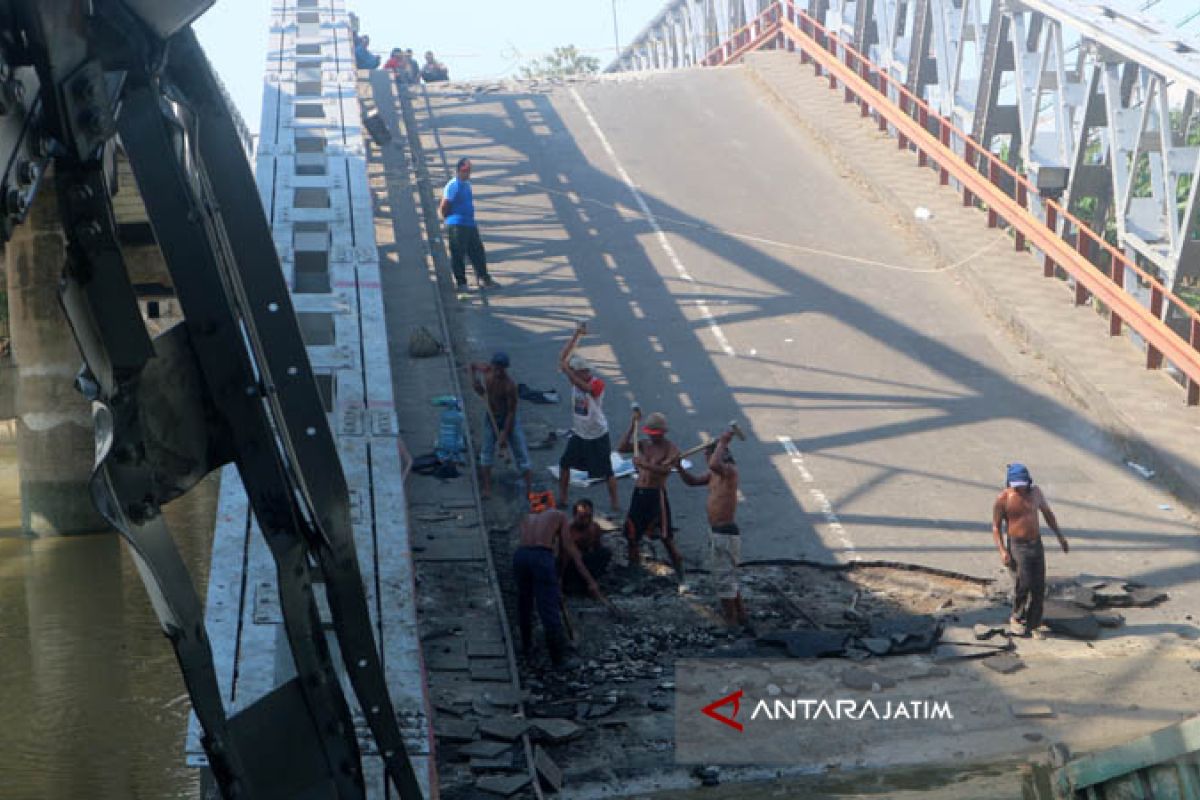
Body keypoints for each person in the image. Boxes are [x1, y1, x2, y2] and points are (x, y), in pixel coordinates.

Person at [514, 507, 606, 667]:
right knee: (548, 607)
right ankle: (559, 658)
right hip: (541, 557)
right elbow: (568, 548)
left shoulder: (527, 516)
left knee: (524, 603)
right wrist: (586, 580)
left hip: (521, 556)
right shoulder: (559, 515)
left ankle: (526, 646)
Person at [991, 463, 1069, 639]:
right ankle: (1017, 617)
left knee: (1039, 586)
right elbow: (996, 527)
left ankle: (1034, 623)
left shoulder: (1036, 493)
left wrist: (1060, 537)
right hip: (1018, 545)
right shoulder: (1003, 499)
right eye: (1015, 485)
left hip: (1036, 543)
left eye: (1022, 484)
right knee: (1024, 582)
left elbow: (1048, 515)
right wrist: (1003, 550)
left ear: (1028, 481)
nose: (1019, 488)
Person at [679, 430, 744, 626]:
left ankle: (731, 621)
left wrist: (723, 442)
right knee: (728, 578)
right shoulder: (714, 474)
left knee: (725, 580)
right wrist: (679, 467)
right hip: (717, 532)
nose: (706, 460)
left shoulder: (729, 471)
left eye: (708, 455)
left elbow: (714, 463)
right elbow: (692, 482)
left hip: (725, 532)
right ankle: (740, 616)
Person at [556, 322, 619, 512]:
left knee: (607, 471)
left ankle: (615, 501)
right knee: (565, 463)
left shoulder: (597, 383)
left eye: (576, 371)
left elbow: (586, 389)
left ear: (584, 372)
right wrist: (577, 335)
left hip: (597, 434)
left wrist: (568, 372)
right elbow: (562, 357)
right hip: (581, 433)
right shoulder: (575, 379)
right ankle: (564, 497)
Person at [616, 410, 684, 578]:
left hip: (656, 494)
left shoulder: (671, 449)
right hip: (639, 493)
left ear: (663, 432)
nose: (653, 437)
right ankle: (634, 571)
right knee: (632, 534)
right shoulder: (645, 444)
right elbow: (622, 447)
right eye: (651, 434)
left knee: (665, 537)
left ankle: (681, 576)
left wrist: (645, 465)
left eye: (656, 434)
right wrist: (632, 425)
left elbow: (665, 470)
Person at [469, 351, 532, 499]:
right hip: (491, 418)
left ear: (505, 369)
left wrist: (504, 433)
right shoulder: (487, 372)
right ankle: (487, 488)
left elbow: (511, 412)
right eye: (496, 367)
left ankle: (529, 490)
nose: (497, 371)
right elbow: (472, 368)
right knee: (486, 454)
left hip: (508, 419)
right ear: (492, 365)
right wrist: (475, 382)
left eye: (501, 369)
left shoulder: (510, 386)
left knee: (521, 454)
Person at [438, 157, 496, 290]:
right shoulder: (453, 185)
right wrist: (448, 220)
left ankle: (484, 278)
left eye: (469, 170)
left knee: (477, 251)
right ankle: (461, 282)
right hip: (457, 224)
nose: (468, 173)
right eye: (465, 170)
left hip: (469, 223)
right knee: (458, 253)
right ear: (459, 171)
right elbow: (444, 206)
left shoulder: (467, 185)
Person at [561, 499, 612, 596]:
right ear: (575, 516)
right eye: (582, 517)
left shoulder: (594, 527)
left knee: (605, 553)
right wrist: (590, 581)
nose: (586, 521)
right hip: (570, 563)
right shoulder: (568, 531)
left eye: (589, 517)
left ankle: (588, 583)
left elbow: (598, 547)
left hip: (585, 558)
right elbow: (573, 560)